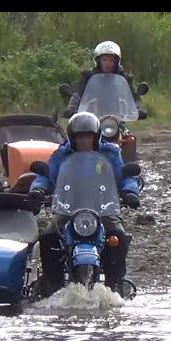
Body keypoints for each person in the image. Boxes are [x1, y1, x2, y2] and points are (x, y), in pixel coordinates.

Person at [28, 111, 140, 297]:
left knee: (118, 236)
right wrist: (38, 190)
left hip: (103, 207)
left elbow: (124, 176)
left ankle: (115, 284)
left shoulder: (110, 153)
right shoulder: (62, 153)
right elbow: (46, 176)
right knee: (48, 237)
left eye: (88, 137)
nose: (83, 141)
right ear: (72, 138)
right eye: (79, 137)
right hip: (68, 208)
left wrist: (130, 192)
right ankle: (51, 285)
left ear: (96, 137)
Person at [64, 41, 147, 119]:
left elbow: (133, 97)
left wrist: (138, 109)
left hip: (118, 121)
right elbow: (78, 95)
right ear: (98, 61)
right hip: (92, 119)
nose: (107, 63)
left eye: (111, 60)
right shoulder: (88, 76)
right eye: (104, 60)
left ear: (116, 62)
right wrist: (72, 108)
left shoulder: (123, 78)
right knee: (76, 133)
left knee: (129, 135)